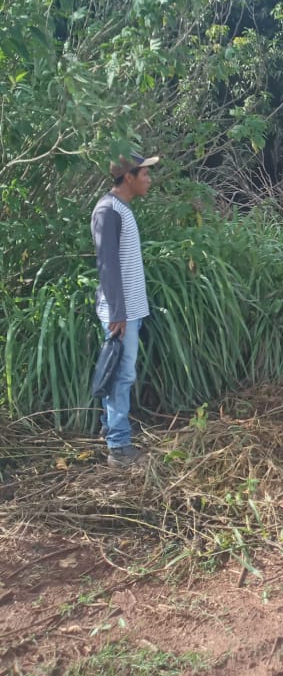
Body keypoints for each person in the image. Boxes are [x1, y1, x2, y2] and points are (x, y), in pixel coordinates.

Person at [91, 151, 158, 468]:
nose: (149, 179)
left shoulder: (121, 209)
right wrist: (117, 312)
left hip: (130, 309)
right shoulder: (108, 211)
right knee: (122, 375)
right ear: (128, 177)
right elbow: (107, 266)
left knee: (120, 372)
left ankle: (111, 430)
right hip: (121, 314)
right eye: (144, 173)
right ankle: (118, 447)